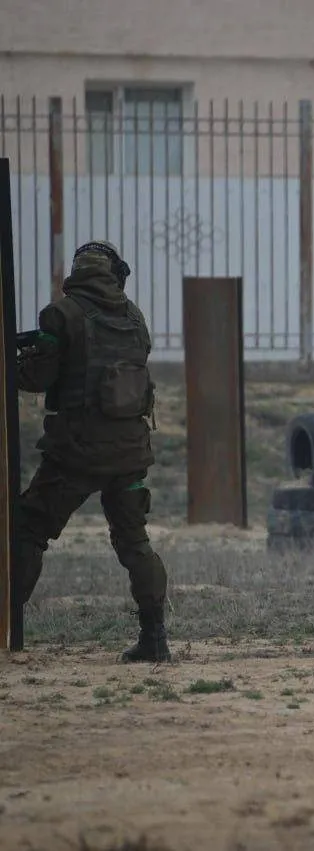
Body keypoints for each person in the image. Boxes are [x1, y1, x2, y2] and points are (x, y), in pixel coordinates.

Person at [14, 240, 171, 663]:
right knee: (134, 541)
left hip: (76, 453)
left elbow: (38, 377)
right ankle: (155, 637)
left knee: (29, 528)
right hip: (129, 452)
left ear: (78, 272)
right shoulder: (134, 317)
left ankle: (6, 623)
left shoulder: (60, 315)